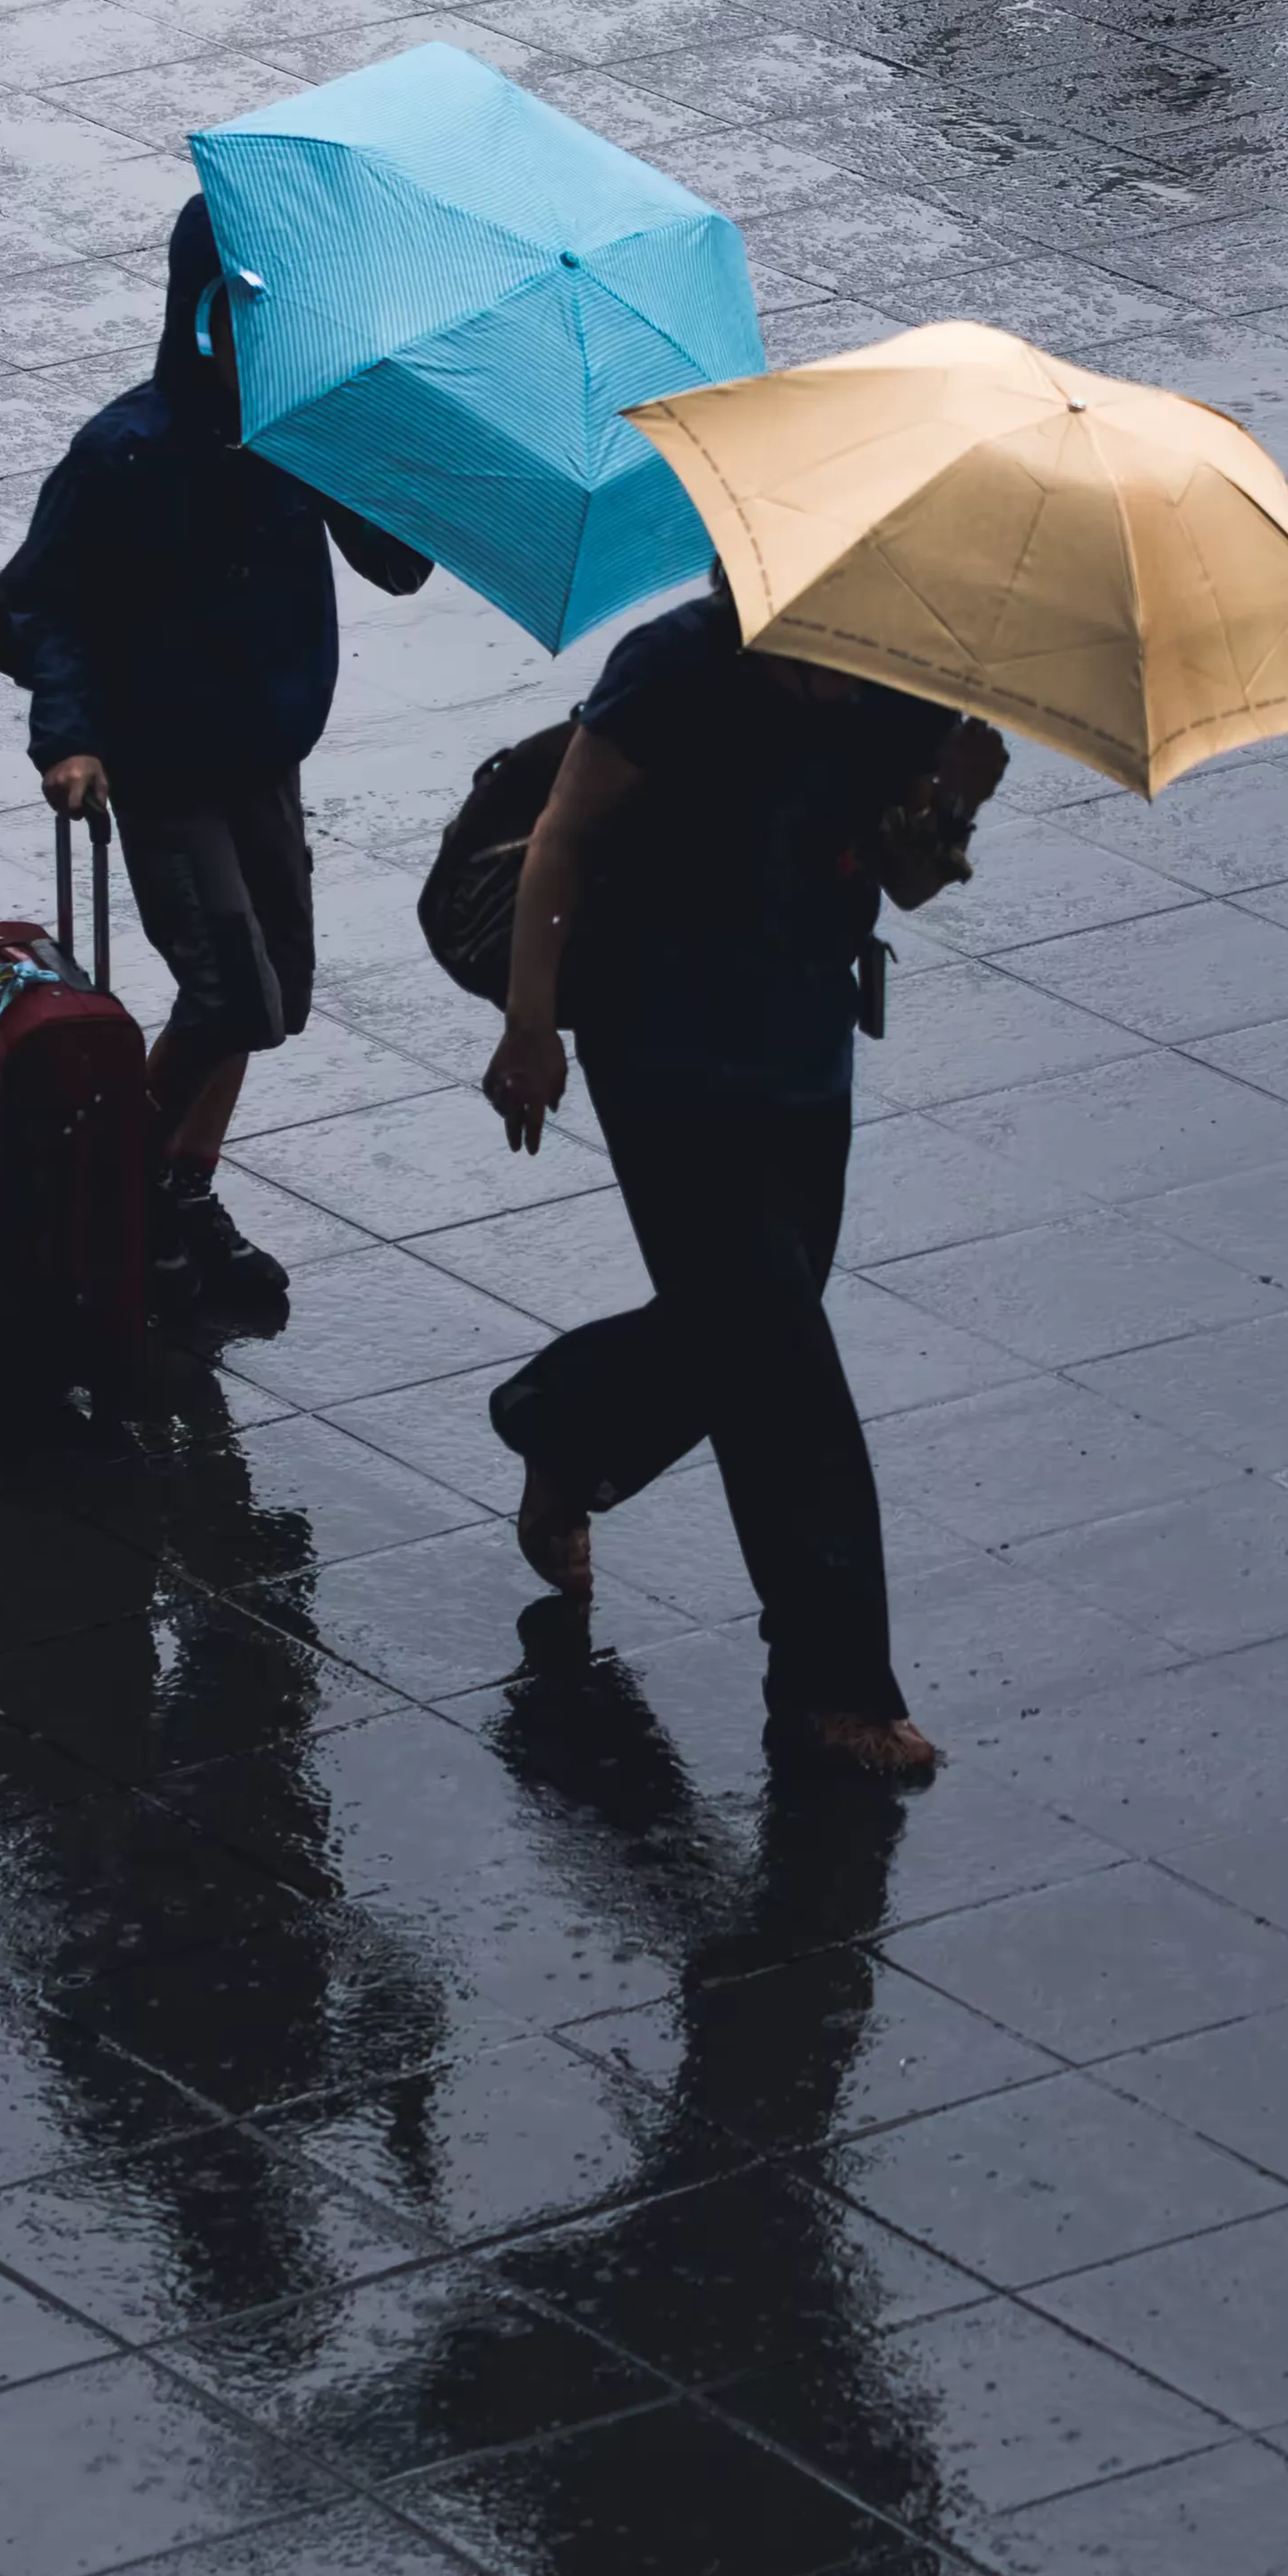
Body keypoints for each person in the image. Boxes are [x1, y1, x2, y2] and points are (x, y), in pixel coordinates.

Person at [477, 578, 1007, 1785]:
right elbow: (564, 833)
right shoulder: (673, 668)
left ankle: (564, 1421)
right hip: (662, 1052)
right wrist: (531, 1023)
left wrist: (956, 803)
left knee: (754, 1316)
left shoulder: (893, 674)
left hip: (803, 1049)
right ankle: (831, 1687)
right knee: (782, 1366)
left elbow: (905, 876)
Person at [0, 198, 430, 1316]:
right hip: (165, 768)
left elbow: (398, 564)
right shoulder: (127, 452)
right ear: (201, 312)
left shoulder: (301, 436)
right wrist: (70, 734)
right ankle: (107, 1189)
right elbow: (28, 610)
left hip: (262, 757)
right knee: (228, 994)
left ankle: (178, 1187)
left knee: (273, 998)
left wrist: (389, 451)